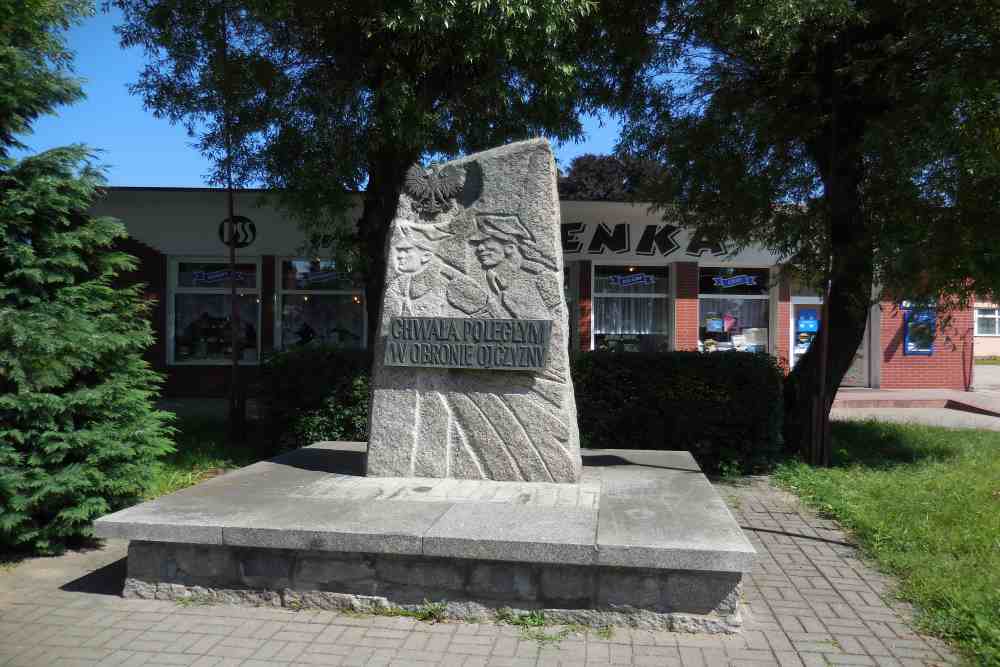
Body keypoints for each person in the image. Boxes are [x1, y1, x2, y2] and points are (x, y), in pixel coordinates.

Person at [467, 213, 561, 320]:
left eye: (486, 241)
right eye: (479, 243)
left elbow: (553, 319)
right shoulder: (488, 277)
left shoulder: (540, 277)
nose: (479, 248)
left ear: (509, 248)